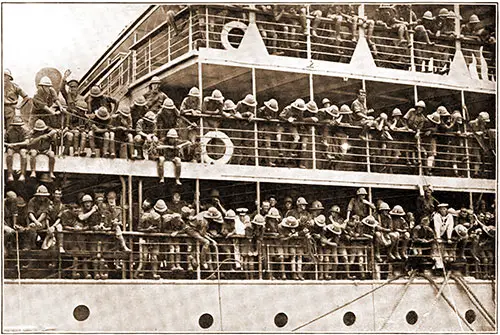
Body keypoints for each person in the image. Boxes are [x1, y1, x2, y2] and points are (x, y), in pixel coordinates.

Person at [135, 199, 164, 279]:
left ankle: (154, 273)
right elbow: (139, 228)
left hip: (154, 239)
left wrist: (152, 230)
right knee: (145, 256)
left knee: (153, 256)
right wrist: (147, 230)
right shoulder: (143, 216)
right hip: (145, 238)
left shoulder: (156, 216)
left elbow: (159, 229)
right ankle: (140, 273)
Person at [5, 115, 30, 182]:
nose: (18, 126)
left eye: (19, 125)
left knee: (23, 154)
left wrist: (17, 144)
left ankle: (22, 174)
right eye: (16, 125)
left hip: (21, 147)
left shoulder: (25, 131)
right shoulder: (9, 131)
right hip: (12, 147)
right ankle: (10, 174)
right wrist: (8, 145)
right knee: (9, 154)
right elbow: (3, 141)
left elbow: (27, 142)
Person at [468, 111, 493, 177]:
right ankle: (474, 173)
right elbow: (467, 132)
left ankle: (479, 173)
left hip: (481, 143)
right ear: (480, 118)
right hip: (473, 143)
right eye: (484, 120)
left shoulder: (483, 124)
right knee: (476, 158)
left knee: (483, 158)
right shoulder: (471, 123)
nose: (485, 122)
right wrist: (475, 133)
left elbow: (484, 132)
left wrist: (482, 133)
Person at [258, 98, 280, 166]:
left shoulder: (274, 113)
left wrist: (271, 119)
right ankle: (257, 160)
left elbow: (274, 123)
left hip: (267, 131)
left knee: (268, 145)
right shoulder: (260, 110)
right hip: (260, 130)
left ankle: (269, 161)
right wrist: (264, 118)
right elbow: (257, 119)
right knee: (258, 144)